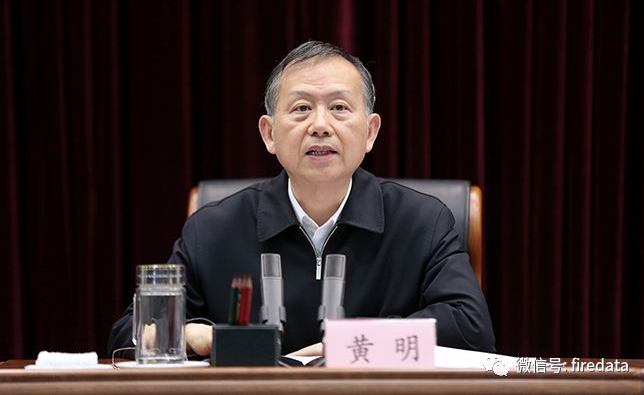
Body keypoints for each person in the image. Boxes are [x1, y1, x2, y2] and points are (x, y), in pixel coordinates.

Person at [108, 40, 496, 357]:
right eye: (301, 109)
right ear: (269, 134)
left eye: (339, 108)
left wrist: (355, 344)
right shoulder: (213, 229)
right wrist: (190, 333)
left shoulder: (422, 221)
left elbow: (471, 328)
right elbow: (128, 335)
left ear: (370, 132)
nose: (320, 125)